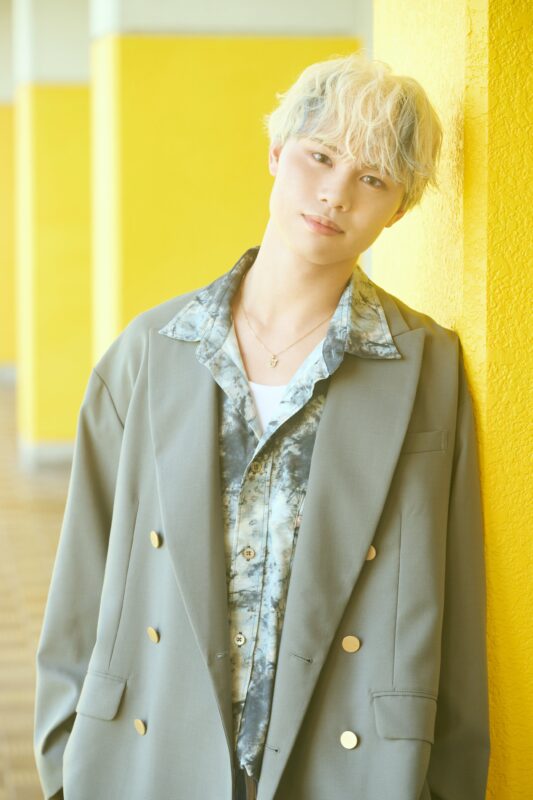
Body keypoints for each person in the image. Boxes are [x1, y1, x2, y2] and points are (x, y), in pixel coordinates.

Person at [34, 52, 490, 800]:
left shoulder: (427, 366)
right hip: (149, 752)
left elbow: (457, 593)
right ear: (277, 153)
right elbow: (82, 576)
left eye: (373, 179)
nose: (336, 193)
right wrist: (62, 762)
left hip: (351, 759)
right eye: (321, 156)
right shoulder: (149, 351)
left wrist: (452, 779)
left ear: (399, 210)